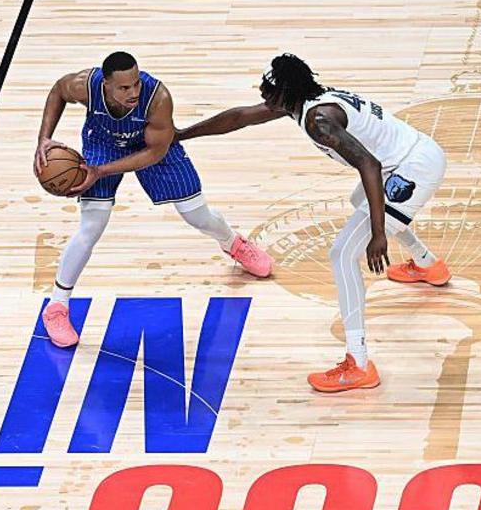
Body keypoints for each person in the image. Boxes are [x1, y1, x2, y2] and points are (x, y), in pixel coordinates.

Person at [177, 53, 451, 392]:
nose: (262, 95)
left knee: (343, 255)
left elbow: (369, 166)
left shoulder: (318, 120)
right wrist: (180, 135)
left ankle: (359, 364)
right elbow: (240, 117)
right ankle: (428, 264)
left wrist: (378, 234)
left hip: (410, 170)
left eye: (268, 91)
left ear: (284, 94)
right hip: (413, 153)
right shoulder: (303, 98)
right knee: (359, 201)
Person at [33, 51, 273, 347]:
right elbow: (58, 89)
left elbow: (154, 153)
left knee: (196, 214)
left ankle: (233, 243)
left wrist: (99, 171)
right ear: (105, 84)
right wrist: (44, 139)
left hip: (152, 146)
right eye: (124, 88)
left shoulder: (157, 99)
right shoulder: (84, 85)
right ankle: (57, 306)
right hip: (103, 142)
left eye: (135, 84)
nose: (133, 92)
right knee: (92, 226)